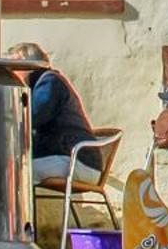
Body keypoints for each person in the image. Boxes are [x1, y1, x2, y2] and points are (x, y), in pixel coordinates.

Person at [7, 41, 103, 184]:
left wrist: (6, 120)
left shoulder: (50, 82)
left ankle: (13, 207)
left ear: (29, 66)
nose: (11, 73)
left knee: (15, 170)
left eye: (14, 67)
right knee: (12, 166)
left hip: (78, 161)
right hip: (71, 158)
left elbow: (33, 117)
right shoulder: (43, 83)